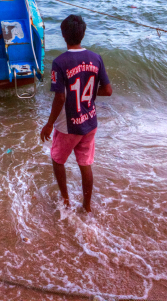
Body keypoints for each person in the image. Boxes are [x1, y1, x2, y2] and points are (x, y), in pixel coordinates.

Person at [40, 14, 112, 213]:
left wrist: (48, 124)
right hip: (89, 121)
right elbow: (107, 90)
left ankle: (65, 200)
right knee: (85, 164)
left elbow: (60, 98)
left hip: (67, 126)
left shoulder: (60, 63)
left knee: (57, 160)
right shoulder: (96, 58)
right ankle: (87, 207)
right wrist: (85, 94)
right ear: (83, 34)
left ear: (63, 36)